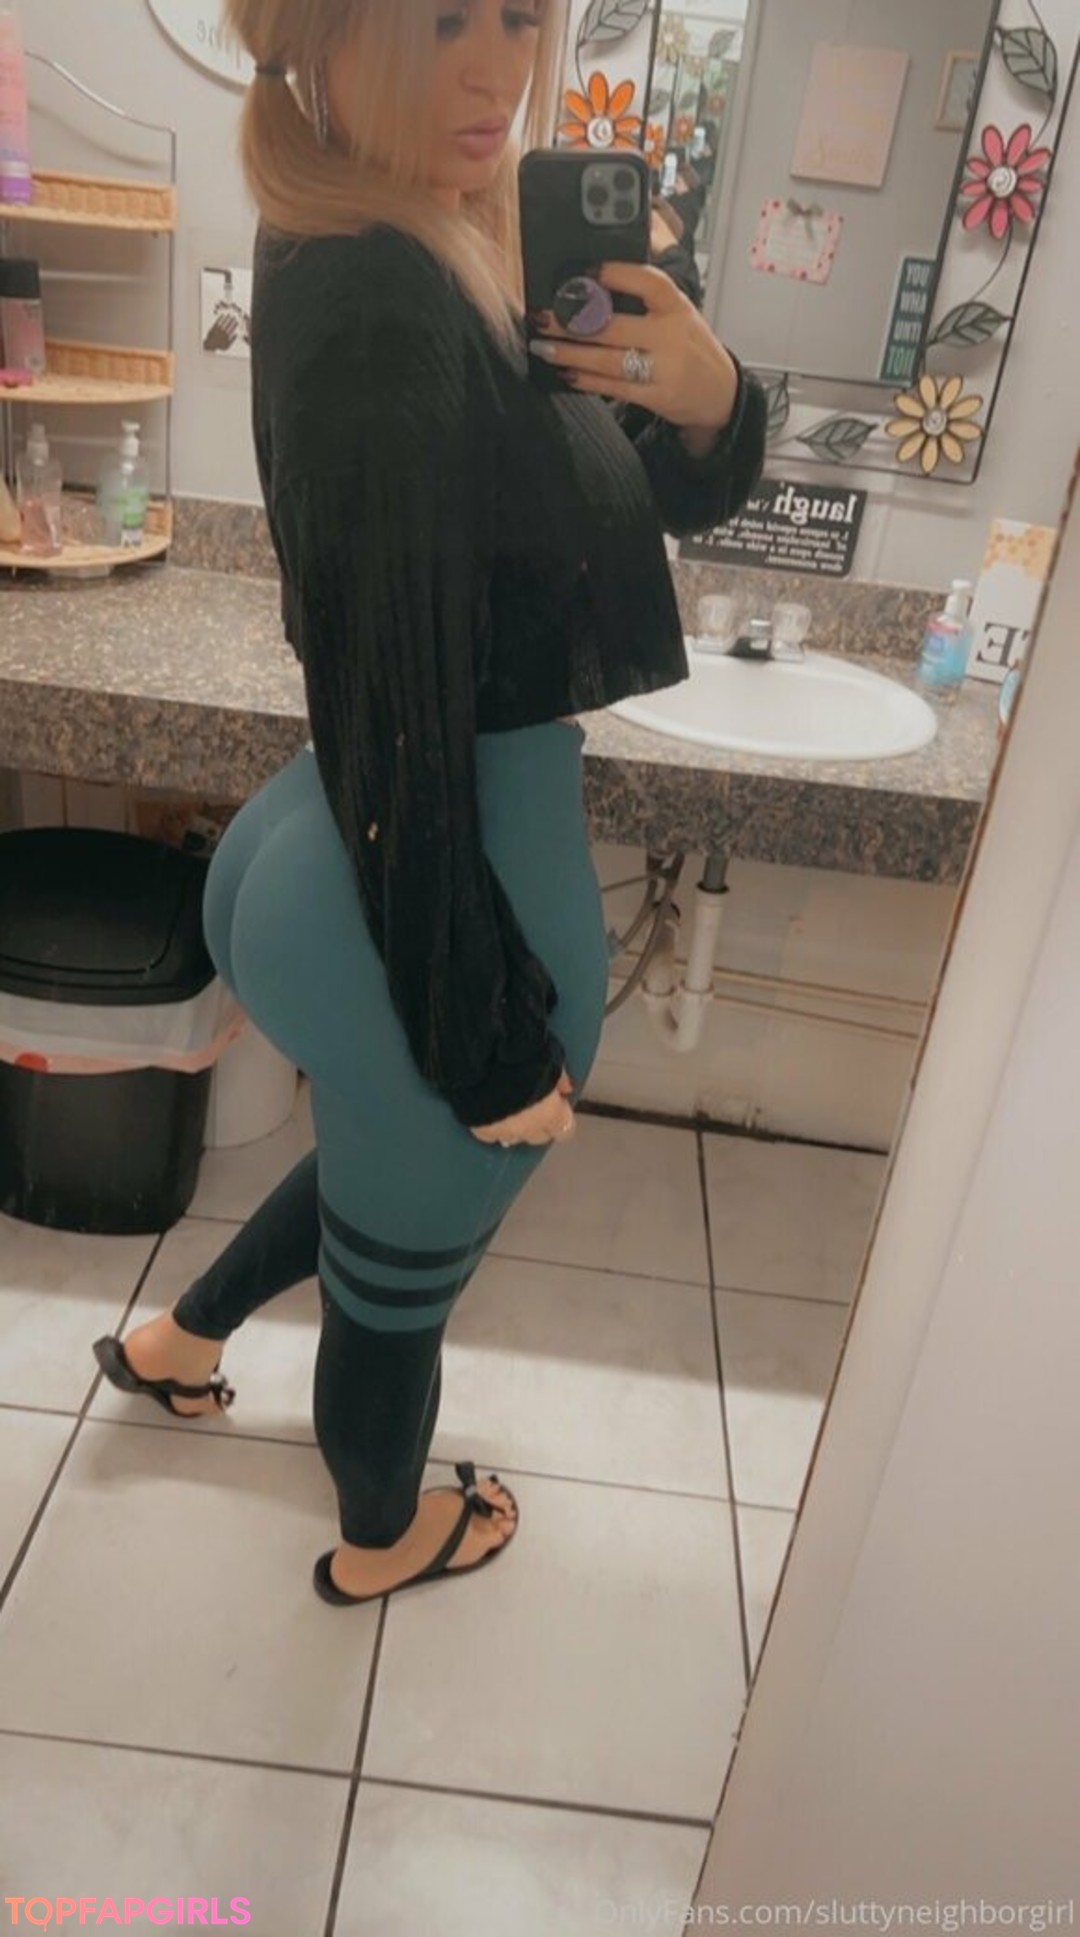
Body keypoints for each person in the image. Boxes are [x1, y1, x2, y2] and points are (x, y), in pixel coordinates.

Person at [93, 0, 766, 1608]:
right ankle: (382, 1534)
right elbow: (394, 705)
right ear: (329, 34)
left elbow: (585, 492)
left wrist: (707, 396)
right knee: (402, 1273)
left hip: (339, 847)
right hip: (429, 855)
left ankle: (181, 1336)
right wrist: (485, 1038)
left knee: (386, 1158)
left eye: (519, 12)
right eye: (443, 17)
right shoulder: (386, 297)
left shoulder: (416, 225)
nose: (497, 65)